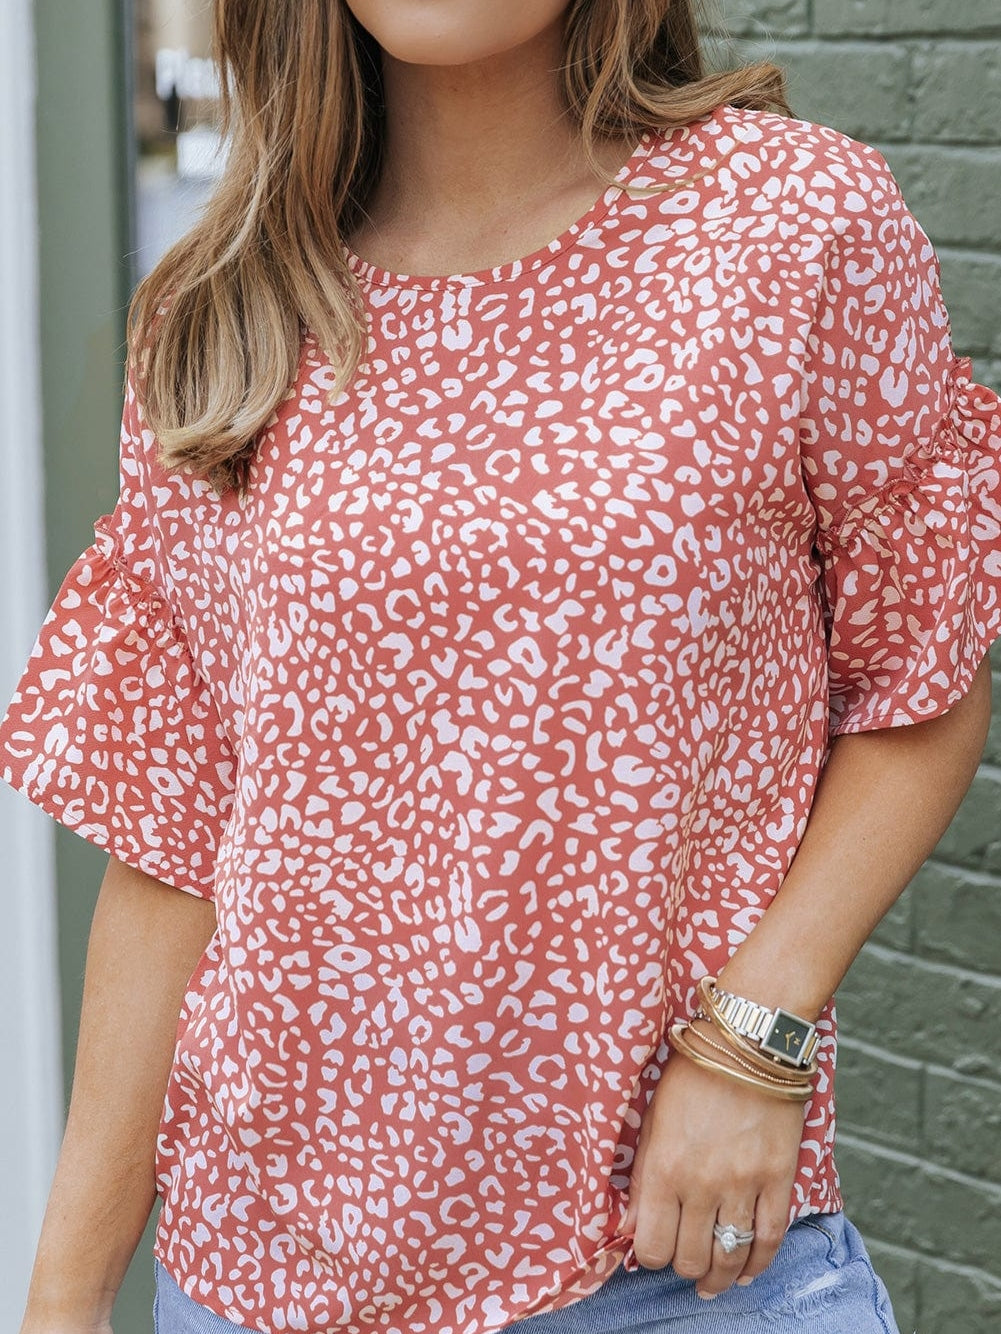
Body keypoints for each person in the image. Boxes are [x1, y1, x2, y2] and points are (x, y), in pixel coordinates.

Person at [6, 1, 1000, 1331]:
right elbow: (181, 841)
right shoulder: (215, 312)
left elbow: (918, 669)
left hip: (675, 1270)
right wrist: (66, 1291)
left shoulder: (787, 222)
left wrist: (753, 1030)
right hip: (261, 1280)